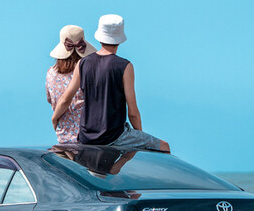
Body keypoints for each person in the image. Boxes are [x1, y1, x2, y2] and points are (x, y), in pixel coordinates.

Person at [51, 14, 170, 152]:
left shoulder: (82, 63)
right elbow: (132, 112)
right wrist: (140, 135)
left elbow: (66, 98)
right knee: (164, 146)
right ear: (119, 40)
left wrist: (55, 118)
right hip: (113, 136)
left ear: (100, 37)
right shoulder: (125, 66)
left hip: (85, 137)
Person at [46, 25, 96, 144]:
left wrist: (55, 118)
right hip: (89, 134)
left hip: (63, 134)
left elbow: (50, 99)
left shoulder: (51, 73)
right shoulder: (88, 72)